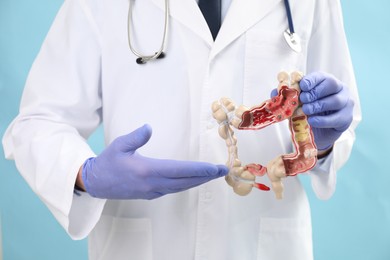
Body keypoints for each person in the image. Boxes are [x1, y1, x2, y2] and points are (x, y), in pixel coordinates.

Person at [2, 0, 361, 259]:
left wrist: (323, 141)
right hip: (141, 245)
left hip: (263, 244)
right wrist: (85, 174)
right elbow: (38, 123)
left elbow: (338, 119)